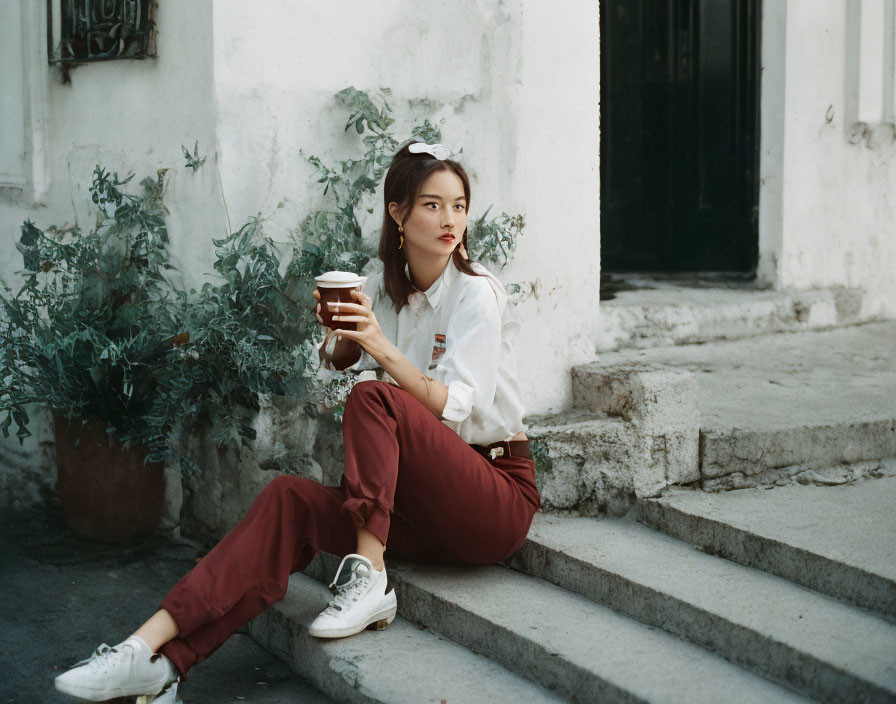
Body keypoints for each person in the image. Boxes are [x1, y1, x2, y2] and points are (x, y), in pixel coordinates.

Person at [53, 142, 540, 702]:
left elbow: (452, 404)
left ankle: (369, 575)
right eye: (432, 205)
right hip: (417, 505)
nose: (449, 219)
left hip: (492, 496)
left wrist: (378, 349)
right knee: (289, 498)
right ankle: (150, 657)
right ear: (397, 212)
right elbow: (343, 365)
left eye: (458, 205)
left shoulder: (476, 293)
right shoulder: (380, 286)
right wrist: (337, 340)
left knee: (373, 397)